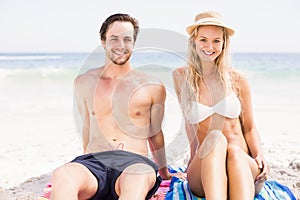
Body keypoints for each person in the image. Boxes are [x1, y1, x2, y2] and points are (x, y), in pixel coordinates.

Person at [51, 13, 183, 200]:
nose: (121, 45)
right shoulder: (84, 82)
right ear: (103, 42)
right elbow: (87, 129)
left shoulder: (152, 86)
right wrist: (84, 166)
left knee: (135, 181)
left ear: (133, 43)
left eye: (127, 39)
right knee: (62, 174)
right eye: (114, 39)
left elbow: (155, 134)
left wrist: (164, 173)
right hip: (94, 163)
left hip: (135, 164)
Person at [173, 11, 269, 199]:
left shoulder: (237, 79)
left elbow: (249, 128)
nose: (210, 46)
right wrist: (193, 158)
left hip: (240, 163)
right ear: (193, 41)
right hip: (205, 169)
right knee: (214, 138)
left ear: (224, 43)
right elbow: (189, 124)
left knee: (233, 151)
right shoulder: (181, 77)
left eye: (216, 41)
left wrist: (259, 155)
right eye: (203, 40)